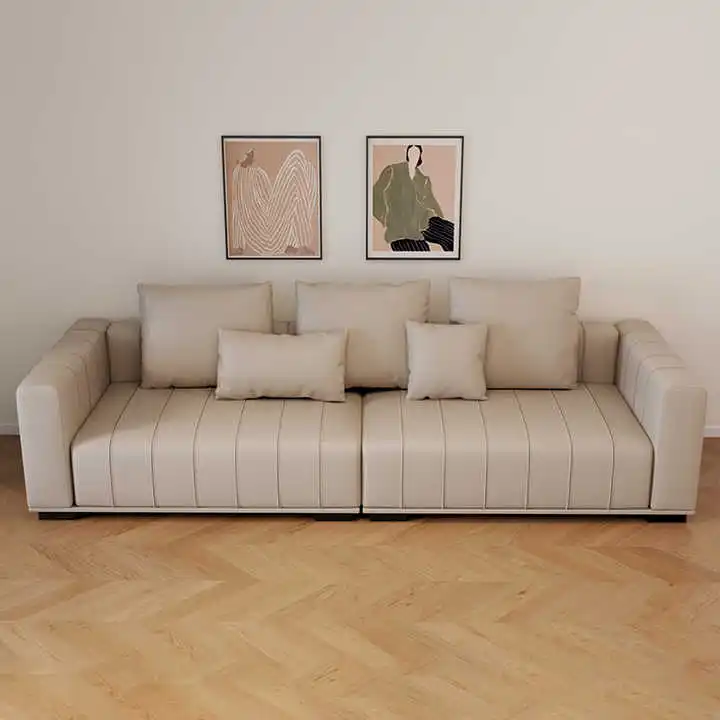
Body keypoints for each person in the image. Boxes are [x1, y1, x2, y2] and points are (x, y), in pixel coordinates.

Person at [372, 145, 453, 251]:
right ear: (407, 155)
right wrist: (386, 219)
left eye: (417, 153)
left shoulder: (423, 178)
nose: (414, 156)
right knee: (421, 252)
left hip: (426, 220)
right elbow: (375, 195)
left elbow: (431, 201)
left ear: (420, 156)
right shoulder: (393, 170)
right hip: (402, 227)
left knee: (453, 235)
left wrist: (439, 216)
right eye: (411, 153)